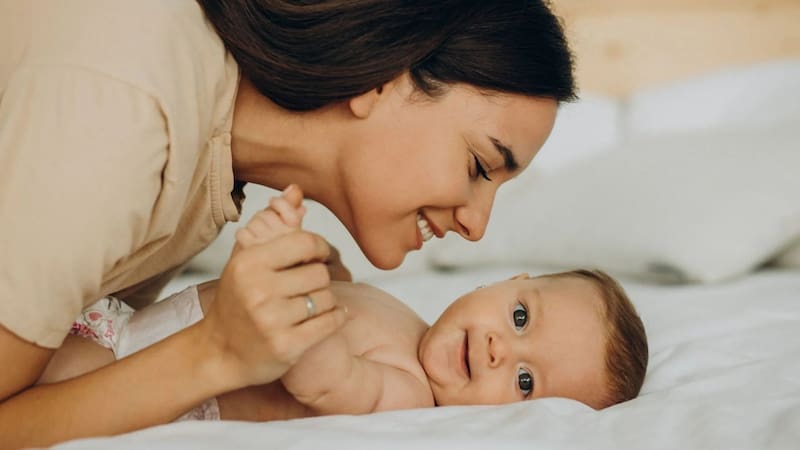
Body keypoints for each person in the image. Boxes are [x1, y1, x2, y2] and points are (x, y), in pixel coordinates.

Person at [0, 0, 576, 446]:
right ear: (383, 80)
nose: (478, 226)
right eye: (479, 166)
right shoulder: (126, 118)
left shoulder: (213, 176)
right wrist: (217, 350)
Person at [39, 188, 648, 421]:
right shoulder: (408, 322)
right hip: (131, 329)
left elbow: (325, 378)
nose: (498, 350)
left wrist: (291, 278)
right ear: (506, 282)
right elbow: (350, 306)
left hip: (148, 383)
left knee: (35, 378)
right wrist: (327, 268)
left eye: (524, 381)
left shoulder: (409, 393)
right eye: (519, 318)